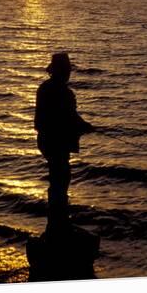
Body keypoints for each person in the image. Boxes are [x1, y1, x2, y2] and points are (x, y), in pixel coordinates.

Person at [34, 52, 94, 236]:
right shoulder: (64, 93)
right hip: (56, 142)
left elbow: (57, 118)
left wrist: (82, 125)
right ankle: (58, 224)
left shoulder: (43, 88)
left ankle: (56, 222)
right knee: (61, 180)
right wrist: (84, 126)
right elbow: (69, 117)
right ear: (62, 71)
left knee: (58, 180)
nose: (69, 74)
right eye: (67, 70)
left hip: (46, 141)